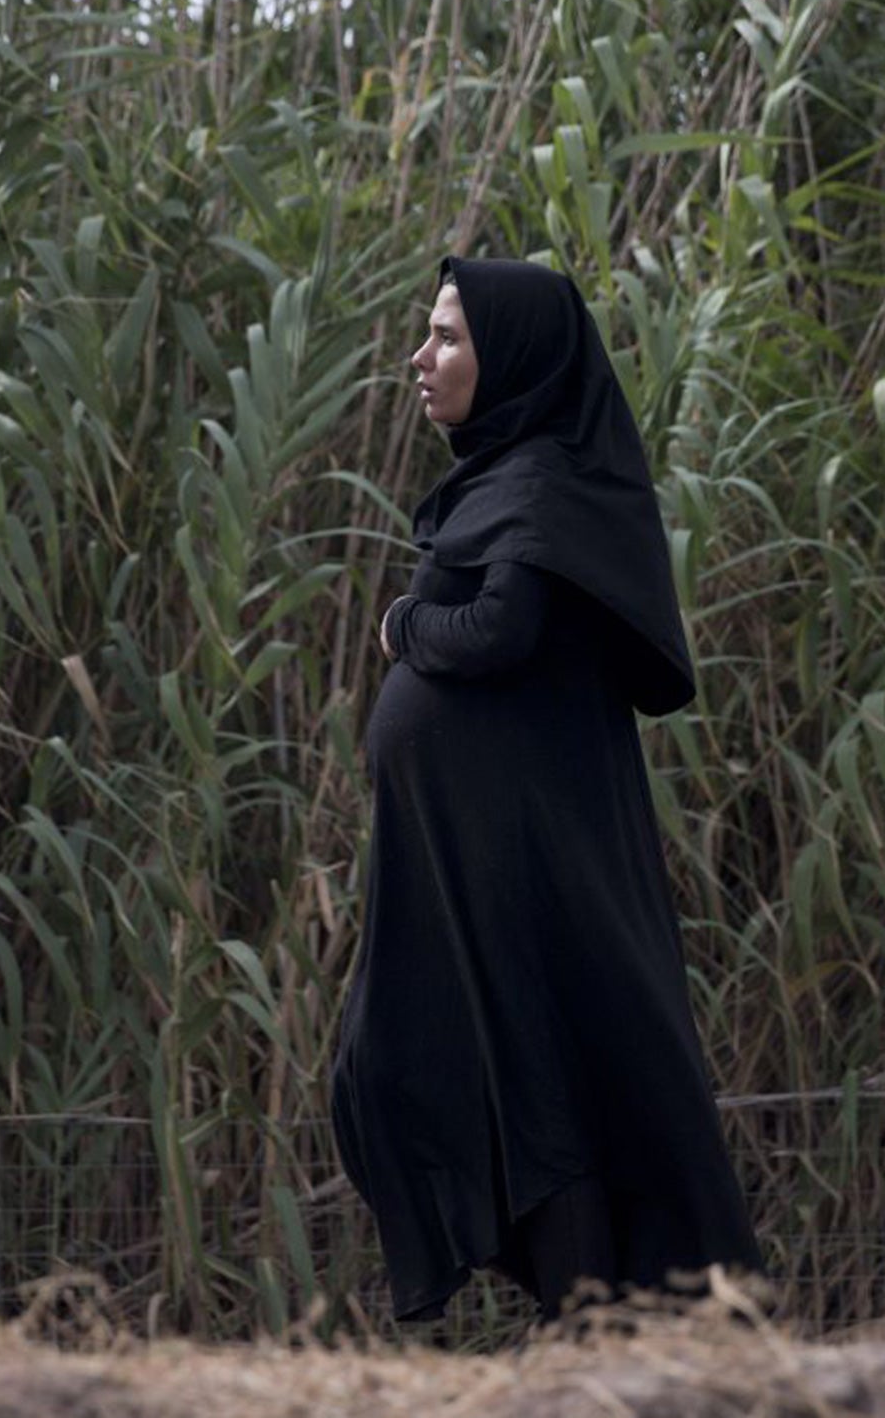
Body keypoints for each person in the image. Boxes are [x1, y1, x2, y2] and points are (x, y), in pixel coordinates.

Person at [329, 255, 767, 1328]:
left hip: (528, 870)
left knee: (541, 1094)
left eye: (444, 338)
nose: (418, 358)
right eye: (426, 335)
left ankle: (589, 1335)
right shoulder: (502, 480)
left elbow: (497, 630)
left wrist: (398, 629)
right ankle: (585, 1332)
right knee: (429, 1073)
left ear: (511, 356)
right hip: (471, 860)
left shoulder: (542, 486)